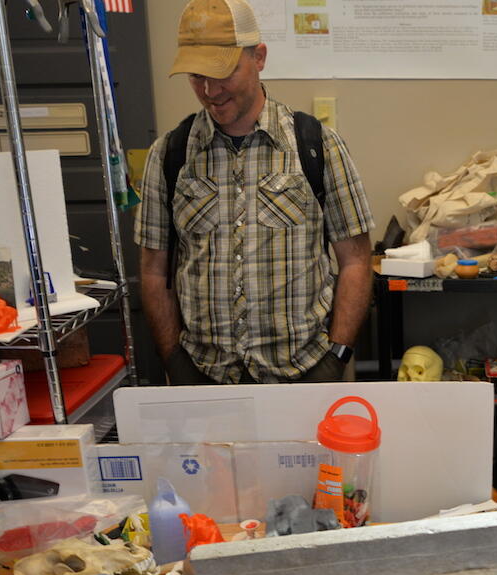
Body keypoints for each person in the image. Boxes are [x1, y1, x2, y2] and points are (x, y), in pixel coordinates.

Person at [136, 0, 373, 384]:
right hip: (204, 375)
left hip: (305, 371)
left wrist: (337, 357)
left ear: (258, 57)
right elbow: (152, 270)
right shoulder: (170, 154)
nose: (210, 90)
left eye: (222, 72)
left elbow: (357, 261)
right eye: (196, 76)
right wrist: (174, 362)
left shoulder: (317, 146)